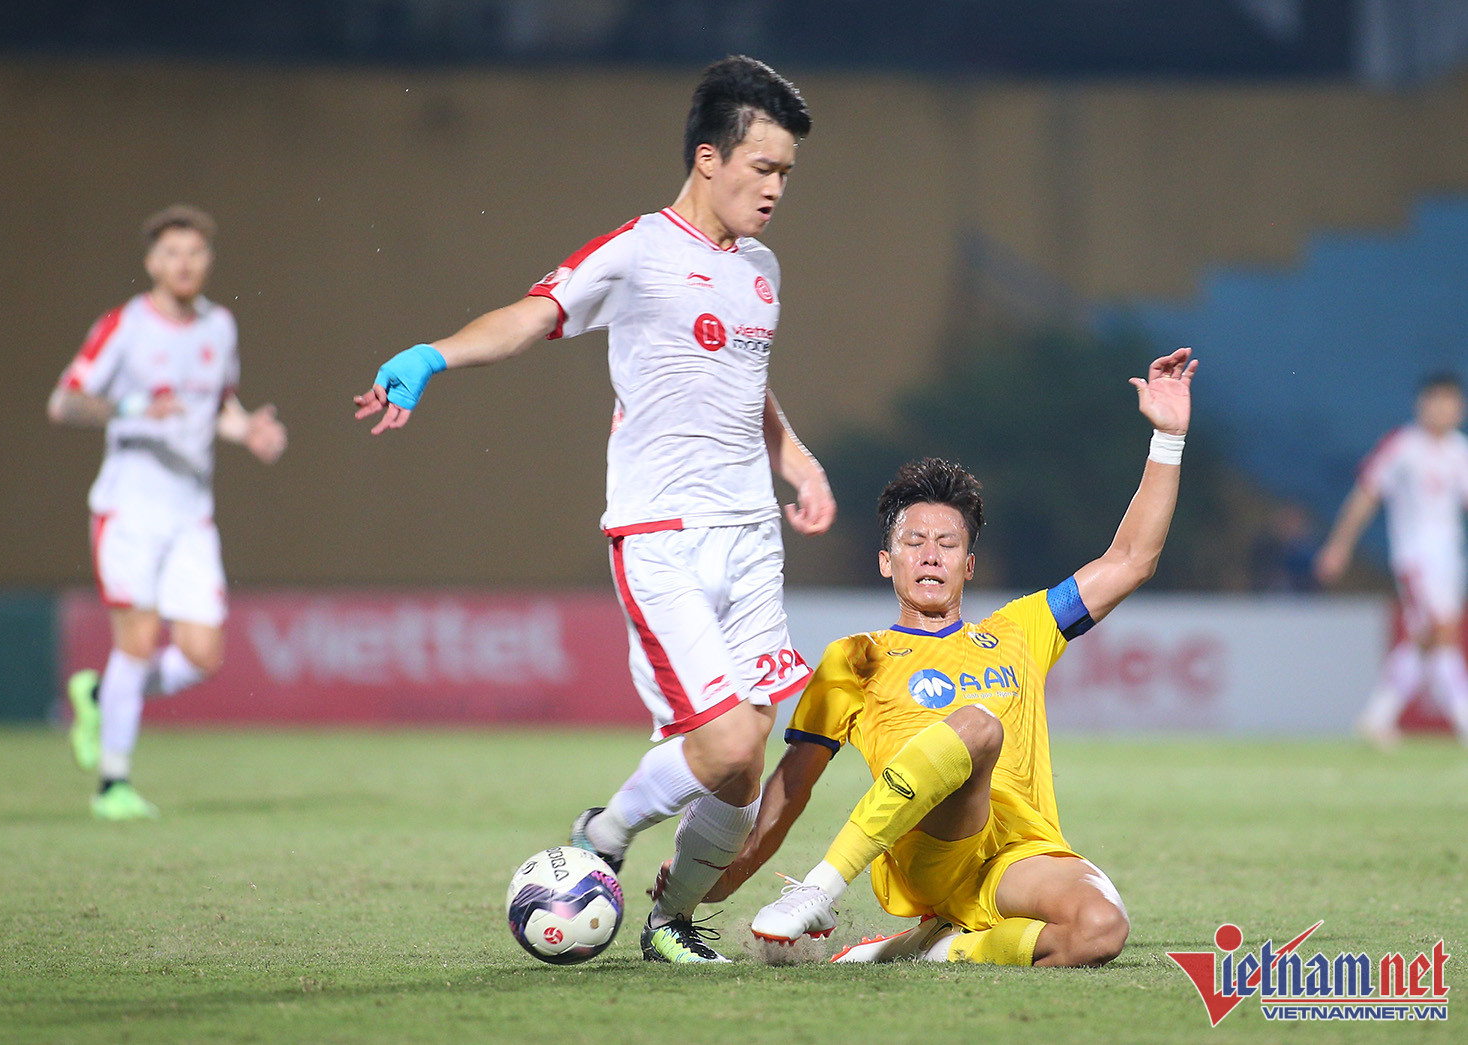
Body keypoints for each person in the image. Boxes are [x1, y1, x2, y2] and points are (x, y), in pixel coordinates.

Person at [352, 56, 835, 963]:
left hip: (752, 536)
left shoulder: (762, 268)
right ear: (708, 158)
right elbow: (530, 316)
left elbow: (745, 382)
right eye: (763, 169)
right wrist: (433, 355)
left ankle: (671, 923)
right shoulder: (638, 250)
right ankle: (604, 834)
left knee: (745, 759)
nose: (776, 190)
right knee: (725, 736)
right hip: (661, 536)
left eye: (786, 174)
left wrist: (794, 457)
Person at [701, 348, 1195, 967]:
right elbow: (792, 786)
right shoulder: (854, 658)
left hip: (1015, 851)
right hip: (924, 852)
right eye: (913, 541)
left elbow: (1130, 562)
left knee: (1100, 930)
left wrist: (1168, 439)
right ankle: (821, 890)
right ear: (888, 563)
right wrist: (725, 875)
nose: (930, 554)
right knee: (977, 726)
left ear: (969, 564)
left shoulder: (1023, 626)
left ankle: (935, 946)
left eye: (947, 542)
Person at [49, 205, 287, 820]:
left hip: (190, 515)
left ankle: (101, 695)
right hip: (128, 510)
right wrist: (130, 407)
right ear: (152, 263)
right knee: (138, 641)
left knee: (204, 655)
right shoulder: (124, 326)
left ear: (208, 261)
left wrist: (248, 431)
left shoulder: (219, 326)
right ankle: (113, 785)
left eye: (196, 253)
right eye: (172, 253)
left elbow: (218, 406)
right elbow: (64, 403)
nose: (184, 264)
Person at [1315, 373, 1468, 746]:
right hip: (1414, 557)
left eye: (1451, 402)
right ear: (1422, 404)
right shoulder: (1402, 446)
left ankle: (1377, 716)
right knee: (1441, 632)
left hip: (1450, 559)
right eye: (1437, 401)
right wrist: (1339, 545)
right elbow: (1366, 495)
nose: (1444, 409)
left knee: (1426, 638)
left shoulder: (1459, 451)